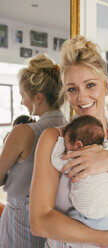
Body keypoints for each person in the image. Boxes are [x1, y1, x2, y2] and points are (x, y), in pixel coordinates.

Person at [30, 36, 108, 248]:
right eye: (72, 89)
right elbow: (39, 221)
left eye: (90, 85)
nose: (81, 97)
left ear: (107, 87)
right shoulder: (54, 140)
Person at [0, 53, 66, 248]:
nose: (22, 102)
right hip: (57, 219)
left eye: (23, 96)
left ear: (38, 97)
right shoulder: (72, 127)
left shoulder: (23, 132)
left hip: (22, 220)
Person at [51, 114, 108, 233]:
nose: (66, 149)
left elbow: (56, 161)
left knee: (70, 219)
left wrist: (60, 139)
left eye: (66, 146)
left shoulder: (77, 159)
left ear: (79, 146)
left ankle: (101, 240)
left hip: (95, 219)